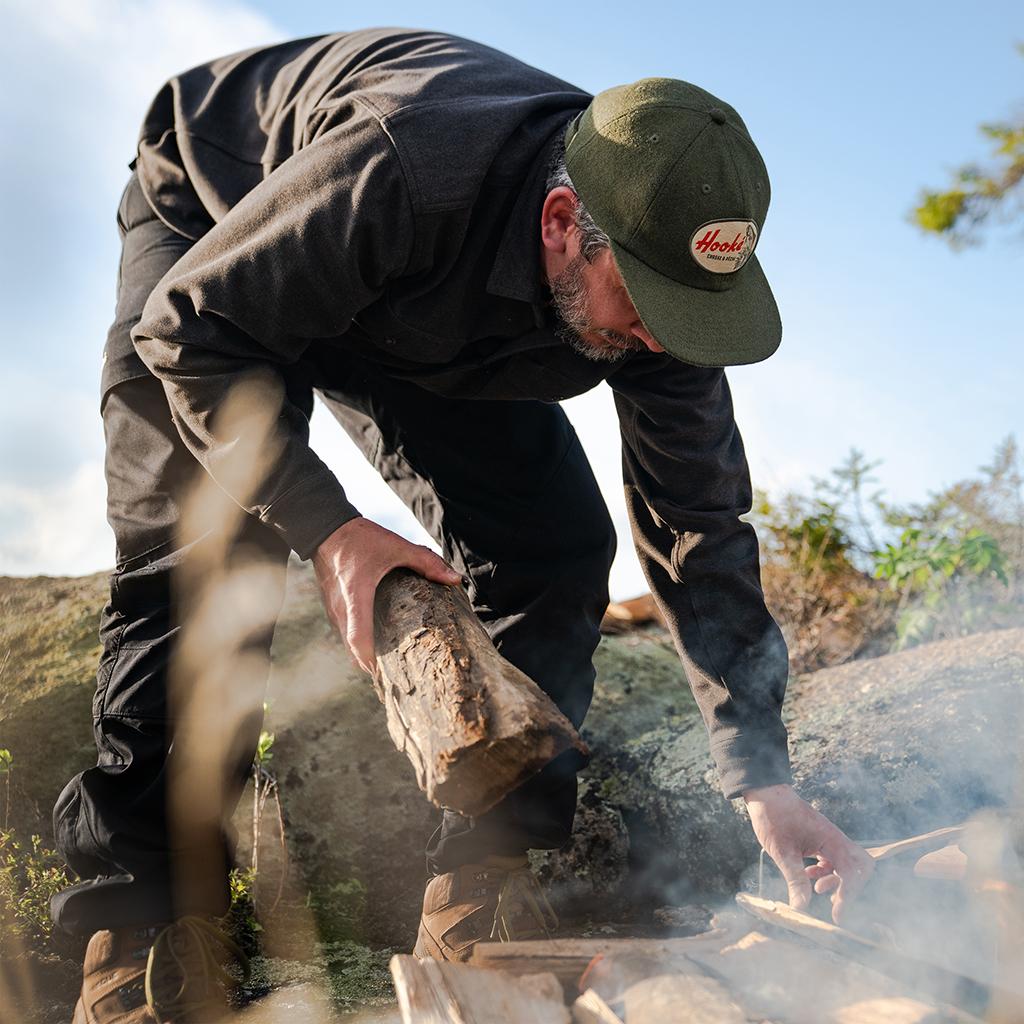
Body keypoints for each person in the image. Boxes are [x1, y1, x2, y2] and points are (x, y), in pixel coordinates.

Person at [52, 27, 874, 1023]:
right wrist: (331, 528)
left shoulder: (668, 288)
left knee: (551, 548)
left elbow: (697, 524)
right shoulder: (404, 167)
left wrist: (764, 780)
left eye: (685, 313)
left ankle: (478, 892)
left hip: (415, 300)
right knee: (207, 551)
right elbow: (188, 331)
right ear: (565, 220)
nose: (660, 340)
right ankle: (142, 935)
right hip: (220, 231)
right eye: (643, 306)